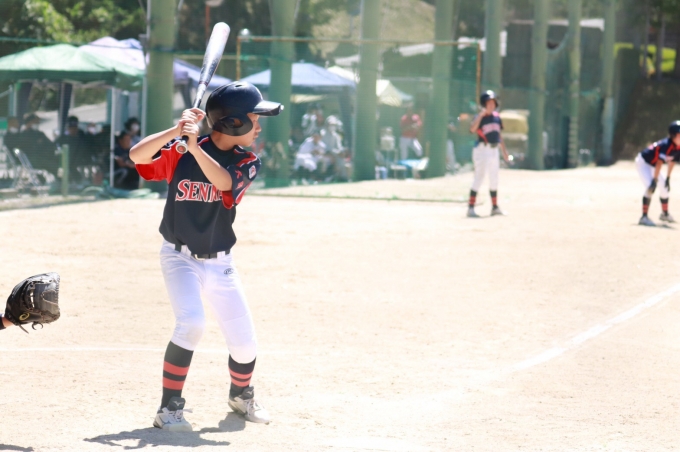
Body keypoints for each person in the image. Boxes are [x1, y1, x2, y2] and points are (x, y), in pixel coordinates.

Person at [129, 81, 283, 431]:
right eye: (254, 119)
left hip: (220, 261)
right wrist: (177, 130)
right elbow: (138, 156)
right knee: (192, 323)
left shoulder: (247, 160)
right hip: (179, 257)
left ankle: (241, 395)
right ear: (232, 122)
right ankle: (168, 408)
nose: (259, 127)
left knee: (245, 344)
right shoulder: (181, 150)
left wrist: (195, 147)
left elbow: (224, 182)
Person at [467, 90, 510, 218]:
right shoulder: (480, 117)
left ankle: (495, 208)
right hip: (482, 150)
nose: (491, 105)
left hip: (494, 150)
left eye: (493, 103)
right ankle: (470, 208)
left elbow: (499, 135)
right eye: (488, 103)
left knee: (494, 179)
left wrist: (504, 151)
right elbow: (472, 129)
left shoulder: (497, 117)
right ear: (483, 104)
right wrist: (481, 115)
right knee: (479, 178)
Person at [635, 121, 680, 226]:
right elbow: (659, 163)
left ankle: (665, 214)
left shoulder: (678, 146)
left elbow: (672, 161)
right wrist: (654, 180)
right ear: (673, 135)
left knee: (664, 188)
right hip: (643, 163)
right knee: (650, 187)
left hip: (653, 165)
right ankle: (644, 217)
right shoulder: (666, 145)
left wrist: (668, 178)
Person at [56, 116, 92, 180]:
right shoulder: (64, 138)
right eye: (71, 128)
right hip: (67, 161)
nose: (73, 130)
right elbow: (56, 145)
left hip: (81, 160)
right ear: (68, 128)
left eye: (75, 128)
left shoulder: (82, 136)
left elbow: (86, 149)